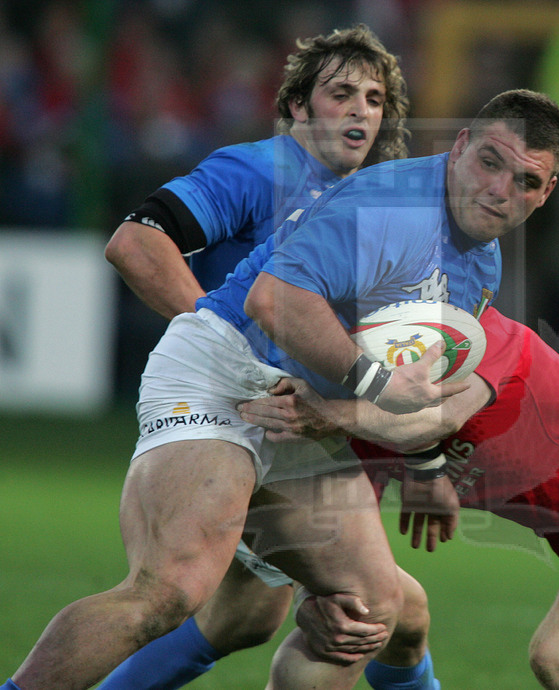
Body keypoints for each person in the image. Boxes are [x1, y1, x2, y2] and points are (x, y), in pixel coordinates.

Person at [3, 88, 559, 690]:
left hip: (299, 409)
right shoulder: (392, 208)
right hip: (224, 373)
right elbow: (273, 301)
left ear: (547, 191)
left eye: (526, 181)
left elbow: (413, 370)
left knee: (367, 612)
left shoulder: (481, 262)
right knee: (170, 592)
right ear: (458, 147)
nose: (500, 190)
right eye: (489, 161)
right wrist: (373, 384)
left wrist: (427, 467)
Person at [97, 24, 435, 690]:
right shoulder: (267, 167)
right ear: (299, 108)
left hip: (293, 426)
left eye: (374, 97)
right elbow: (137, 243)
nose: (361, 108)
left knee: (248, 614)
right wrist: (211, 336)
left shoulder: (370, 204)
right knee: (373, 609)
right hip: (232, 414)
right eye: (340, 93)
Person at [245, 305, 559, 690]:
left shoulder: (476, 336)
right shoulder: (363, 432)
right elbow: (347, 547)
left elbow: (441, 419)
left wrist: (333, 416)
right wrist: (316, 598)